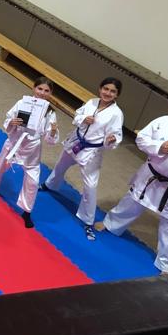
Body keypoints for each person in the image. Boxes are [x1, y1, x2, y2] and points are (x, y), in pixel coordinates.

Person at [95, 99, 168, 274]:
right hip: (151, 175)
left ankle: (167, 263)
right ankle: (112, 224)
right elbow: (141, 138)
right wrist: (158, 147)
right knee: (132, 201)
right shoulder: (164, 121)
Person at [41, 78, 124, 240]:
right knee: (61, 165)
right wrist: (83, 119)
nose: (108, 93)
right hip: (76, 141)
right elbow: (77, 115)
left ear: (117, 95)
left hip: (92, 151)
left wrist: (112, 139)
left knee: (90, 186)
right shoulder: (92, 102)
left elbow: (116, 135)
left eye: (112, 91)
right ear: (100, 88)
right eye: (105, 89)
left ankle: (88, 220)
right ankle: (50, 184)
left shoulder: (116, 114)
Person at [0, 77, 60, 229]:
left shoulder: (50, 112)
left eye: (46, 91)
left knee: (32, 180)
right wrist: (11, 122)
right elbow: (8, 119)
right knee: (1, 165)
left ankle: (27, 211)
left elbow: (50, 139)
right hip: (15, 141)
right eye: (40, 89)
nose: (42, 93)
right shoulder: (22, 103)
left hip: (32, 147)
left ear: (50, 94)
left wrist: (52, 131)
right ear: (34, 88)